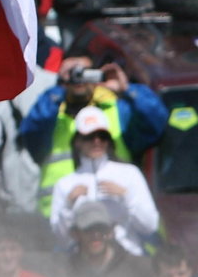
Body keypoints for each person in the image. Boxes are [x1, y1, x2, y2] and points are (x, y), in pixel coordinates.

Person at [19, 56, 169, 217]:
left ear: (95, 74)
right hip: (58, 217)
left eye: (85, 72)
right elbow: (31, 130)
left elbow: (156, 122)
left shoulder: (115, 112)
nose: (79, 77)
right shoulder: (51, 116)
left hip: (112, 217)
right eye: (73, 72)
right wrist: (60, 87)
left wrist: (127, 89)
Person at [49, 106, 160, 256]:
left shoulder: (130, 173)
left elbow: (150, 226)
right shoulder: (65, 184)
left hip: (128, 261)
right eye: (89, 137)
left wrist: (127, 197)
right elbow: (61, 239)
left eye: (102, 136)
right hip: (84, 266)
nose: (96, 142)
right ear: (77, 142)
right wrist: (68, 206)